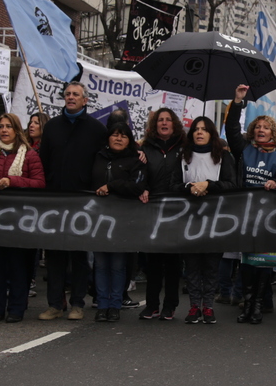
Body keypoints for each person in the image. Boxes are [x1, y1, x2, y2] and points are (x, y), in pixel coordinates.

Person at [36, 81, 107, 322]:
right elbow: (42, 162)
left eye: (76, 94)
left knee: (79, 255)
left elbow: (104, 161)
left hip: (82, 201)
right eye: (67, 94)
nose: (71, 97)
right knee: (55, 255)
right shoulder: (52, 127)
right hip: (55, 199)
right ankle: (55, 304)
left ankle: (77, 303)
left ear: (85, 100)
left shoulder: (97, 129)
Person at [0, 114, 45, 323]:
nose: (4, 130)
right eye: (1, 128)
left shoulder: (30, 155)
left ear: (16, 130)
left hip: (20, 219)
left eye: (8, 127)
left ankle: (16, 308)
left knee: (17, 266)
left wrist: (13, 181)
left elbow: (39, 183)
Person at [225, 84, 276, 324]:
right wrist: (238, 101)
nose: (261, 130)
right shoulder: (244, 149)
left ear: (273, 133)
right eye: (257, 126)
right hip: (246, 213)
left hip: (268, 216)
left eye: (266, 127)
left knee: (264, 262)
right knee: (247, 261)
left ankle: (258, 305)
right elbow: (230, 129)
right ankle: (247, 304)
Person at [178, 116, 238, 324]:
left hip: (215, 220)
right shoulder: (183, 155)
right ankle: (195, 306)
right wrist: (189, 187)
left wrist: (208, 185)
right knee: (193, 265)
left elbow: (231, 184)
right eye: (196, 129)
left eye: (204, 129)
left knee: (212, 265)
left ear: (211, 134)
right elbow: (173, 185)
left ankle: (209, 307)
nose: (200, 133)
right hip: (189, 220)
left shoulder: (223, 156)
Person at [92, 121, 147, 322]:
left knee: (117, 264)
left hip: (122, 220)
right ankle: (102, 304)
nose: (118, 138)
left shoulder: (136, 159)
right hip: (98, 219)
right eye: (115, 134)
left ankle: (115, 304)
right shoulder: (97, 157)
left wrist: (111, 186)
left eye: (123, 135)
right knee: (100, 264)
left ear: (129, 140)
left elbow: (138, 186)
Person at [140, 108, 186, 321]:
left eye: (168, 120)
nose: (164, 123)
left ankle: (170, 304)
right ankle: (151, 305)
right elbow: (139, 175)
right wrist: (143, 187)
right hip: (153, 210)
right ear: (155, 124)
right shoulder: (145, 148)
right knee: (153, 261)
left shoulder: (184, 148)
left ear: (174, 124)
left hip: (177, 211)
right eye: (160, 120)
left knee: (173, 262)